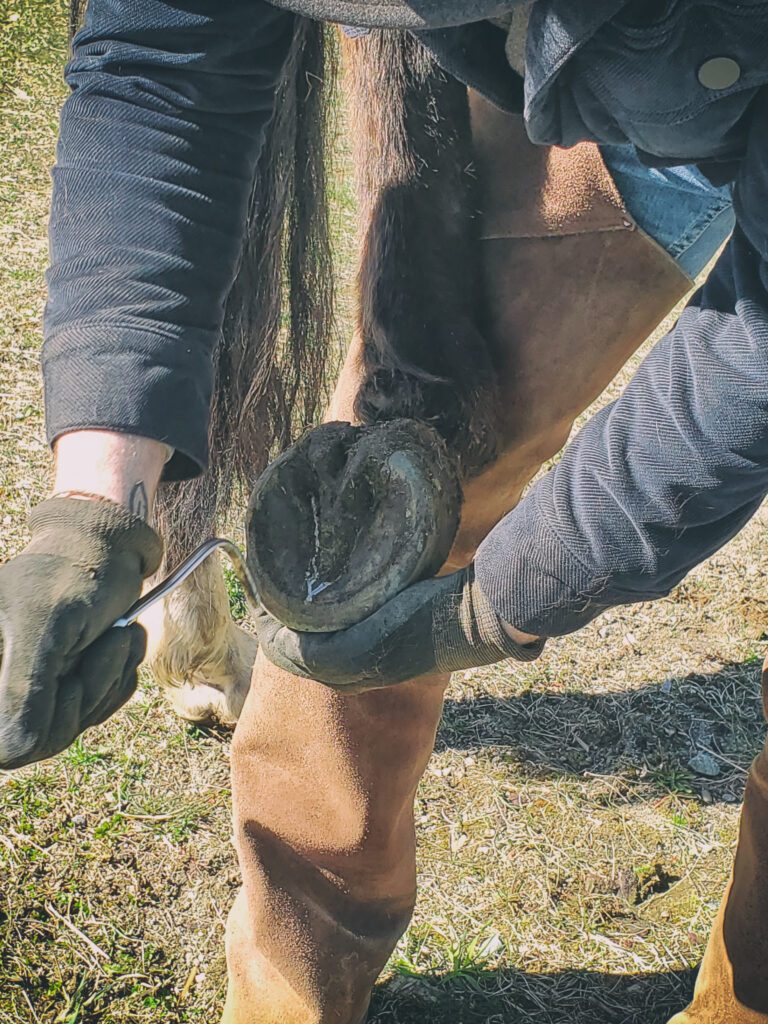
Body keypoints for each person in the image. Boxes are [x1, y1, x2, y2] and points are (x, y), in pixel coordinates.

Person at [0, 0, 765, 1021]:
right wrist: (97, 500)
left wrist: (490, 607)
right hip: (591, 80)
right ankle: (291, 987)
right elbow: (164, 54)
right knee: (389, 503)